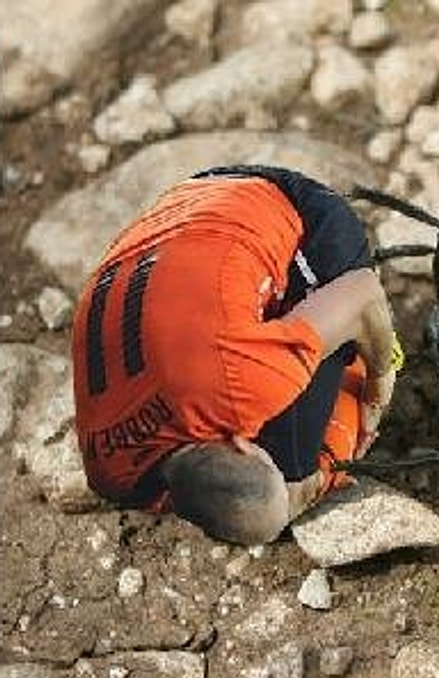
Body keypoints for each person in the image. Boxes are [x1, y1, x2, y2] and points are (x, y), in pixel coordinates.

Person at [71, 165, 397, 545]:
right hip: (180, 206)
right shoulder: (108, 474)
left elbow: (363, 291)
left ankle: (346, 340)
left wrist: (379, 381)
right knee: (286, 480)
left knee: (294, 464)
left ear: (242, 439)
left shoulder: (241, 384)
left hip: (287, 206)